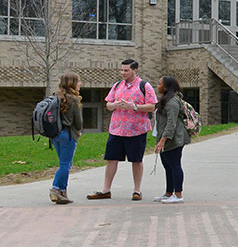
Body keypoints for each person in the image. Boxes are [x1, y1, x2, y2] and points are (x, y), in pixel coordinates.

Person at [88, 59, 157, 201]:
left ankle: (137, 191)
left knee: (136, 160)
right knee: (111, 159)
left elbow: (152, 106)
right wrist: (114, 105)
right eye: (122, 70)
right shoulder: (117, 85)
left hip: (136, 130)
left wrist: (135, 107)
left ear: (135, 70)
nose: (123, 73)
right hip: (116, 129)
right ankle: (106, 190)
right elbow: (108, 103)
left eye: (126, 70)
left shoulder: (145, 86)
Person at [153, 76, 190, 203]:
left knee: (174, 165)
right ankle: (169, 193)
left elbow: (171, 124)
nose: (157, 86)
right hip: (166, 138)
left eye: (159, 84)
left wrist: (162, 141)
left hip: (174, 139)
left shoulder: (173, 102)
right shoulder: (166, 100)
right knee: (168, 166)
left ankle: (178, 195)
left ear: (166, 87)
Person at [49, 72, 83, 205]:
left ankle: (63, 192)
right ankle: (55, 189)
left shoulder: (56, 96)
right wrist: (79, 130)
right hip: (68, 134)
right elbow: (78, 121)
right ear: (73, 83)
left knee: (65, 164)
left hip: (55, 134)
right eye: (79, 81)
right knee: (65, 165)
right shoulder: (73, 99)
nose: (80, 84)